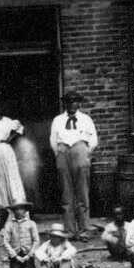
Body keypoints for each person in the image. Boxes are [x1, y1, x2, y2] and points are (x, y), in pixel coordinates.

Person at [50, 91, 98, 238]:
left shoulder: (86, 119)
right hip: (63, 152)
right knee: (66, 194)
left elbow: (94, 139)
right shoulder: (58, 120)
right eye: (68, 102)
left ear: (79, 103)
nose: (72, 105)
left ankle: (84, 230)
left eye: (75, 102)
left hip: (80, 151)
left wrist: (86, 152)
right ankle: (70, 230)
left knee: (82, 193)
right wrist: (58, 153)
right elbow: (53, 139)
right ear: (64, 104)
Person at [0, 201, 40, 268]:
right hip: (16, 254)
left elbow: (36, 241)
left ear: (25, 210)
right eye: (16, 209)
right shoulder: (9, 224)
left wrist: (29, 255)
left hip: (28, 254)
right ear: (13, 211)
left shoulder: (31, 223)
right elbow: (6, 241)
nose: (18, 211)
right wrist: (15, 256)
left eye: (21, 209)